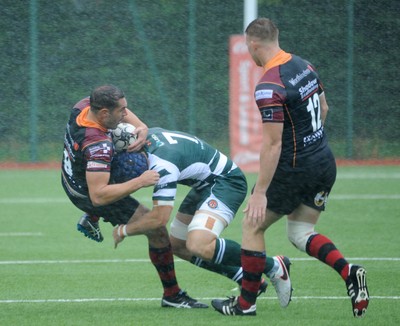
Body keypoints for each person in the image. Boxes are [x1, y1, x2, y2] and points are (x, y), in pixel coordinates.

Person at [211, 18, 369, 318]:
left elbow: (272, 145)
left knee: (252, 225)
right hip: (323, 161)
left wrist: (260, 192)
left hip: (295, 169)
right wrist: (311, 145)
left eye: (248, 48)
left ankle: (245, 304)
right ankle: (349, 271)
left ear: (254, 44)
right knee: (300, 232)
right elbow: (324, 108)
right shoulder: (304, 65)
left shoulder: (269, 85)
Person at [61, 85, 207, 309]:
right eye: (120, 111)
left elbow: (126, 116)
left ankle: (91, 217)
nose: (124, 115)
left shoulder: (82, 107)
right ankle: (173, 295)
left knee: (125, 156)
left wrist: (141, 126)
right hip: (87, 194)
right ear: (103, 114)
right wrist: (141, 181)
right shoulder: (97, 145)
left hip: (71, 175)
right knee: (156, 227)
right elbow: (99, 196)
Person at [111, 127, 292, 307]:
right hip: (204, 184)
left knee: (199, 245)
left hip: (226, 182)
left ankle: (273, 266)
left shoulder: (163, 166)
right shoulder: (145, 134)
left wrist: (124, 230)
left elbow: (159, 219)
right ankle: (245, 276)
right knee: (177, 245)